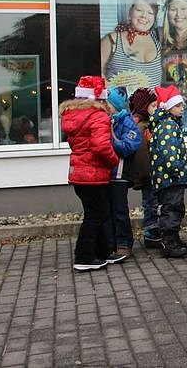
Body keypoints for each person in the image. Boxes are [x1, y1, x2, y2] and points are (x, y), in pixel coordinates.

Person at [60, 76, 119, 272]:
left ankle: (101, 252)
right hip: (93, 172)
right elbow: (101, 146)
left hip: (80, 172)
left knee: (97, 212)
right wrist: (113, 161)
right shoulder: (97, 116)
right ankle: (84, 256)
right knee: (96, 214)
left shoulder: (74, 116)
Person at [149, 84, 187, 258]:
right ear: (168, 107)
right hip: (171, 177)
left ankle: (173, 238)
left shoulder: (167, 123)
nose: (182, 109)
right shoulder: (168, 126)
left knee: (174, 207)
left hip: (167, 177)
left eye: (182, 105)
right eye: (178, 106)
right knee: (172, 207)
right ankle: (169, 242)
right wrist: (177, 170)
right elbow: (169, 152)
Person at [103, 86, 141, 259]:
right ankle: (110, 243)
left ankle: (124, 243)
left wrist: (110, 139)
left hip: (119, 173)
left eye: (108, 103)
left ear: (116, 105)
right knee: (107, 210)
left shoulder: (127, 122)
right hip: (104, 173)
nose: (105, 106)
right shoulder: (104, 119)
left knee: (119, 210)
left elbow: (128, 146)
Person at [101, 0, 162, 92]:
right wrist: (111, 96)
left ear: (154, 17)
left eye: (150, 12)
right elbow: (96, 75)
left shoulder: (159, 37)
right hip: (119, 106)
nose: (144, 16)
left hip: (154, 106)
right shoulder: (112, 40)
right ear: (130, 12)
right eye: (139, 10)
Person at [128, 87, 161, 249]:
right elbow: (142, 154)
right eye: (153, 106)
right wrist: (148, 174)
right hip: (149, 174)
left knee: (153, 201)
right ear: (143, 107)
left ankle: (153, 228)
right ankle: (151, 230)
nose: (156, 109)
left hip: (152, 172)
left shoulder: (149, 124)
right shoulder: (142, 126)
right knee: (150, 202)